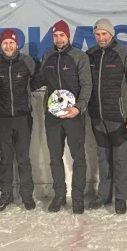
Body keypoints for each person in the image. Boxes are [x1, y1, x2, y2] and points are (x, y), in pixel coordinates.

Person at [31, 20, 92, 214]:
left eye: (62, 35)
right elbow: (39, 79)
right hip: (53, 116)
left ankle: (78, 197)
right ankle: (59, 195)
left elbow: (87, 85)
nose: (59, 39)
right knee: (55, 157)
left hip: (73, 115)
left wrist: (79, 108)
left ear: (68, 37)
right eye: (55, 35)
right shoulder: (48, 55)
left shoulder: (78, 56)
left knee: (78, 157)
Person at [85, 18, 127, 215]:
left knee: (120, 159)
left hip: (119, 117)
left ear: (111, 34)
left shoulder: (124, 54)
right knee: (102, 158)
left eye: (104, 34)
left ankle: (120, 197)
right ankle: (104, 195)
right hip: (97, 117)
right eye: (98, 34)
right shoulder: (90, 55)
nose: (101, 37)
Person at [0, 29, 38, 211]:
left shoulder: (27, 62)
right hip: (1, 119)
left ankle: (27, 195)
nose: (8, 46)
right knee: (6, 158)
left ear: (17, 44)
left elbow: (38, 79)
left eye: (11, 43)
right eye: (5, 43)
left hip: (23, 117)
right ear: (0, 45)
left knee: (24, 158)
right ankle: (6, 194)